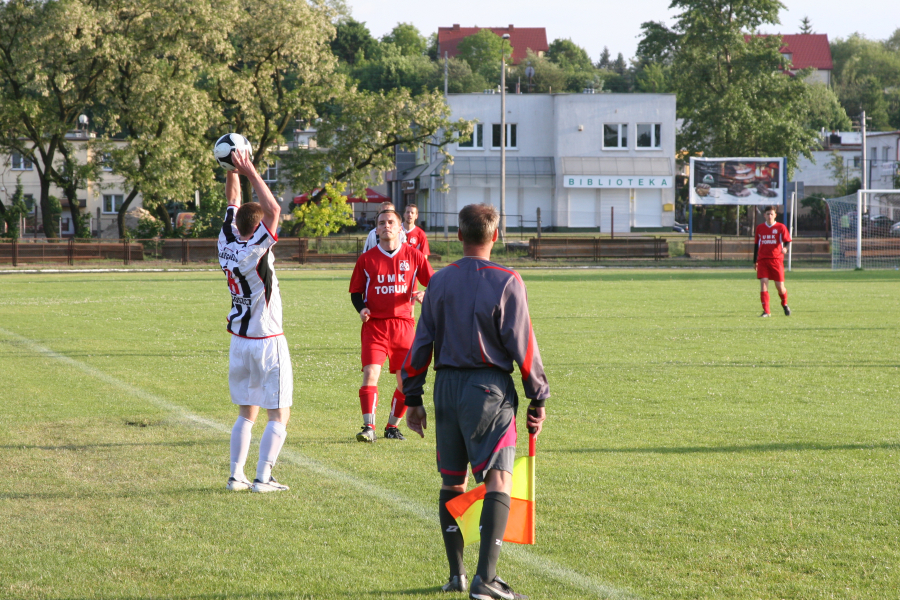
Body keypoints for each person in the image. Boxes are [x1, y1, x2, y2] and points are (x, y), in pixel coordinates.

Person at [401, 204, 549, 599]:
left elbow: (421, 343)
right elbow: (523, 344)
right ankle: (486, 580)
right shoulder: (507, 280)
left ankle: (458, 575)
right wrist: (538, 397)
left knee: (452, 480)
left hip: (445, 387)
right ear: (495, 236)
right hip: (487, 389)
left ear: (459, 235)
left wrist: (412, 397)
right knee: (498, 479)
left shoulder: (439, 281)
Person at [217, 149, 292, 493]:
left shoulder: (225, 239)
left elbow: (232, 199)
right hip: (267, 339)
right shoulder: (256, 248)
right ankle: (263, 478)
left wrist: (229, 167)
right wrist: (248, 170)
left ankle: (236, 476)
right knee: (278, 413)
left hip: (239, 341)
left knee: (246, 413)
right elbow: (274, 210)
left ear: (236, 224)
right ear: (258, 228)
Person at [349, 208, 434, 441]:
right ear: (376, 230)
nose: (386, 226)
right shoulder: (366, 259)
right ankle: (369, 427)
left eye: (390, 222)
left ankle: (392, 427)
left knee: (405, 381)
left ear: (399, 228)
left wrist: (425, 293)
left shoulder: (414, 256)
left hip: (403, 326)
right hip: (375, 326)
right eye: (381, 223)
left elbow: (435, 283)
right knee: (370, 373)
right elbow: (356, 292)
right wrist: (362, 309)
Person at [754, 205, 792, 317]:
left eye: (771, 214)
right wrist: (755, 261)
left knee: (780, 287)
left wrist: (785, 248)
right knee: (763, 283)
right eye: (768, 214)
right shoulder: (760, 228)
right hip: (763, 260)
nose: (769, 216)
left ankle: (784, 304)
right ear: (764, 215)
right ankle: (766, 311)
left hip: (776, 260)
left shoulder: (781, 227)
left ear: (775, 215)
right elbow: (756, 245)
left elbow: (788, 241)